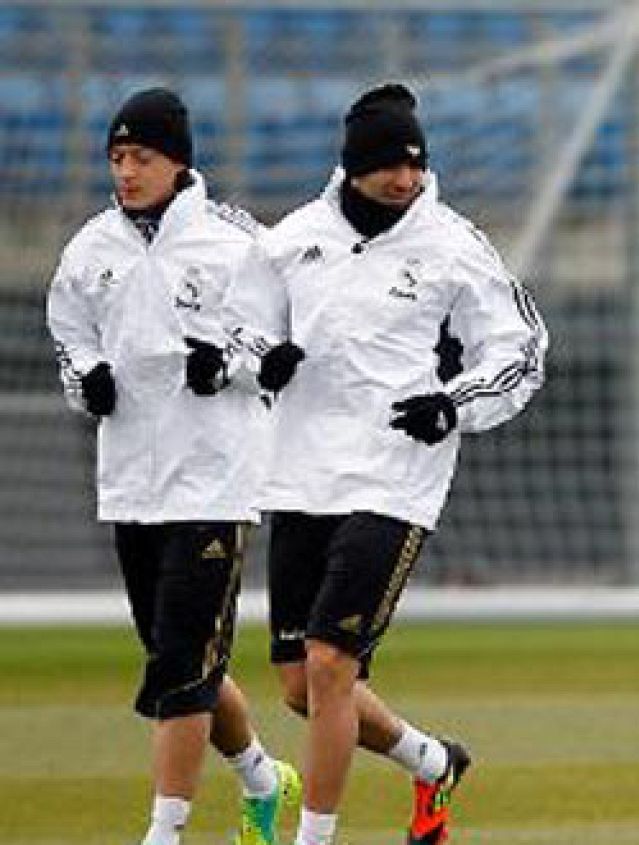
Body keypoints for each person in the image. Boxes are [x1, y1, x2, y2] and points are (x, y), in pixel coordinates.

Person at [224, 83, 548, 845]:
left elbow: (521, 348)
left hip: (396, 479)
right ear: (353, 167)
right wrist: (260, 361)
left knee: (334, 662)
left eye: (415, 164)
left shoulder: (454, 243)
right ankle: (432, 761)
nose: (405, 179)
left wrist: (452, 403)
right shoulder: (293, 238)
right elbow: (236, 329)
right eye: (388, 166)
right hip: (299, 475)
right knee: (305, 688)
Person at [44, 88, 300, 845]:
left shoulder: (238, 241)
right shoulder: (91, 247)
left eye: (141, 157)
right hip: (130, 480)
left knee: (184, 664)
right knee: (175, 656)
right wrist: (85, 376)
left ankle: (165, 832)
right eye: (117, 158)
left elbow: (279, 343)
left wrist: (227, 366)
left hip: (215, 477)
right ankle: (260, 774)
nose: (125, 171)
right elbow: (69, 333)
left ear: (179, 160)